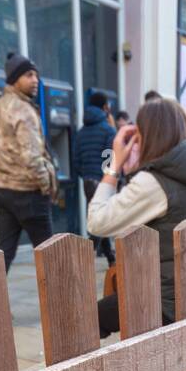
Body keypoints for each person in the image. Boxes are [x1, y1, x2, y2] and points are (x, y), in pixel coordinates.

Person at [86, 98, 186, 337]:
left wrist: (114, 164)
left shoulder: (155, 183)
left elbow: (97, 222)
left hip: (170, 305)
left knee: (85, 319)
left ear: (148, 135)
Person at [0, 52, 57, 272]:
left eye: (36, 75)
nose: (35, 81)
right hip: (29, 193)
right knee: (50, 256)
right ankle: (59, 306)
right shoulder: (24, 111)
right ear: (14, 78)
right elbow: (32, 157)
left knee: (4, 252)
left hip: (2, 191)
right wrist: (46, 187)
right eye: (29, 75)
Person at [73, 91, 117, 265]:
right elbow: (109, 157)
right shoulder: (108, 129)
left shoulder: (81, 132)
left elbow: (75, 159)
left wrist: (85, 175)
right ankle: (87, 254)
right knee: (101, 220)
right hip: (102, 181)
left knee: (99, 217)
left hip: (87, 181)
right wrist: (109, 179)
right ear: (105, 107)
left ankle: (110, 258)